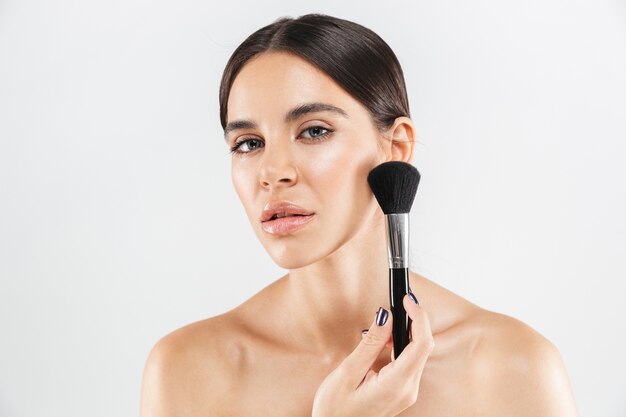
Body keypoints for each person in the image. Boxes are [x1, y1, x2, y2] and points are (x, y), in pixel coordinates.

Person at [140, 13, 578, 416]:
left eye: (314, 131)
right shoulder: (189, 370)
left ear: (396, 147)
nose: (272, 173)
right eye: (248, 143)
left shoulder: (512, 369)